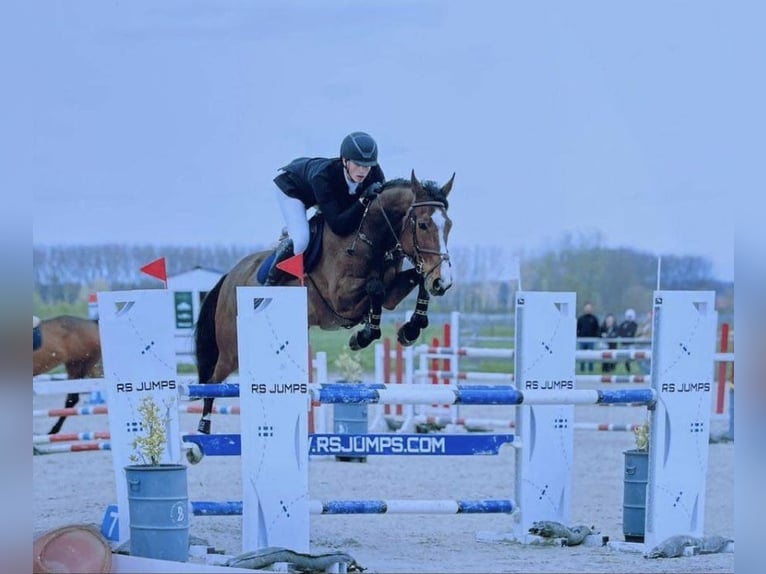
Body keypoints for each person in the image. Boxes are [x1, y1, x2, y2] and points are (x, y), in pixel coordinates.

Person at [266, 131, 386, 285]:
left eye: (367, 166)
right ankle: (271, 281)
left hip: (328, 196)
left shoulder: (374, 172)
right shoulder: (323, 177)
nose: (363, 171)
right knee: (301, 241)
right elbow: (338, 226)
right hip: (293, 189)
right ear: (345, 160)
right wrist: (362, 199)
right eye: (357, 164)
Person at [576, 302, 600, 373]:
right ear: (584, 309)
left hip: (591, 341)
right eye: (587, 308)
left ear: (591, 309)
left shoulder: (594, 319)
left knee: (591, 356)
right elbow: (577, 328)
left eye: (589, 308)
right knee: (582, 356)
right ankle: (582, 369)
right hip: (582, 340)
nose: (588, 309)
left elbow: (597, 329)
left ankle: (591, 370)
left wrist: (596, 337)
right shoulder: (581, 319)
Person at [617, 308, 638, 372]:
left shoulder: (634, 324)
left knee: (632, 356)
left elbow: (632, 333)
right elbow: (619, 332)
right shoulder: (623, 324)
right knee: (624, 356)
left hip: (631, 343)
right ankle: (627, 366)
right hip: (624, 343)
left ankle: (628, 364)